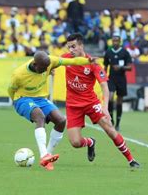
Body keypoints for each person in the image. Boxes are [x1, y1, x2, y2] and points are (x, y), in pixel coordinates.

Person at [7, 51, 96, 171]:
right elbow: (10, 90)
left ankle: (47, 155)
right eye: (42, 68)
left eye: (47, 68)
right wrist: (16, 102)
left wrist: (87, 61)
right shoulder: (19, 74)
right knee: (40, 117)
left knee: (61, 120)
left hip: (40, 99)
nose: (45, 70)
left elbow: (71, 61)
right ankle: (44, 155)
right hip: (22, 99)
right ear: (35, 64)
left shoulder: (50, 61)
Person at [63, 33, 140, 168]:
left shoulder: (93, 64)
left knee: (109, 128)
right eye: (69, 47)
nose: (71, 50)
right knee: (75, 142)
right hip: (73, 105)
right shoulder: (66, 59)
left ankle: (131, 159)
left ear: (81, 45)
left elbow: (104, 86)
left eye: (74, 46)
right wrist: (50, 69)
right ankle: (90, 142)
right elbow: (51, 61)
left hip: (91, 103)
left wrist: (105, 107)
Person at [103, 34, 132, 131]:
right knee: (110, 97)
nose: (115, 42)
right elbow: (105, 65)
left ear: (120, 42)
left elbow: (130, 67)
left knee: (119, 100)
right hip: (111, 78)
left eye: (116, 41)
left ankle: (118, 123)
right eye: (113, 40)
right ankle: (111, 119)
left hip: (121, 79)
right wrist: (103, 76)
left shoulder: (125, 52)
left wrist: (121, 67)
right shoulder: (108, 52)